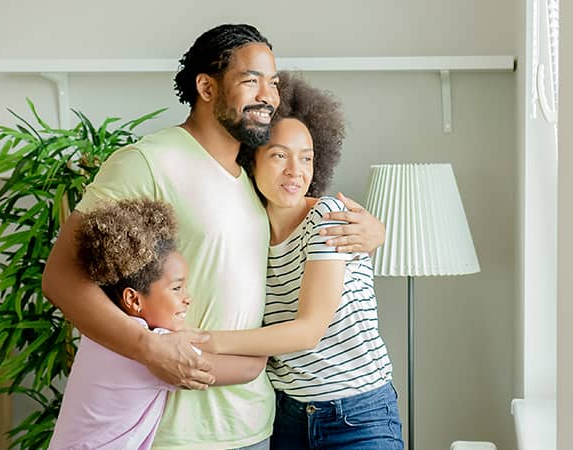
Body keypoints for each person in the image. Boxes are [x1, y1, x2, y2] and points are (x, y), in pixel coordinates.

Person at [42, 24, 385, 450]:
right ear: (206, 86)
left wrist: (373, 231)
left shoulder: (255, 180)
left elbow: (301, 222)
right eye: (251, 80)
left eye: (273, 83)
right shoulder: (147, 161)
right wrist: (148, 347)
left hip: (257, 426)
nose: (268, 95)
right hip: (173, 432)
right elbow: (61, 277)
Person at [201, 73, 403, 449]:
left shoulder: (327, 217)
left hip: (357, 417)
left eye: (306, 158)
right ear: (250, 159)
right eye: (280, 155)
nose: (296, 171)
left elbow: (308, 331)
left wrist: (205, 342)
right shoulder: (247, 230)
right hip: (287, 415)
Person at [48, 199, 265, 450]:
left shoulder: (100, 334)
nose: (188, 298)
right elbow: (250, 368)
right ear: (133, 299)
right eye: (176, 287)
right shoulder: (153, 350)